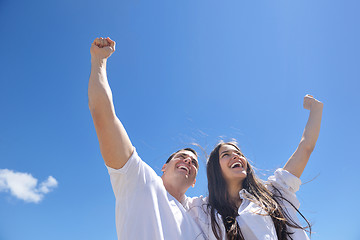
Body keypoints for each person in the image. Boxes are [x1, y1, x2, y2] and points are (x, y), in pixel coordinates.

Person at [88, 37, 205, 240]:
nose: (187, 160)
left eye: (194, 162)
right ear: (164, 167)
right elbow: (103, 115)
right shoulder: (139, 178)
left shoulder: (199, 222)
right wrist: (99, 61)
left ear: (194, 181)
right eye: (181, 156)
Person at [187, 95, 323, 240]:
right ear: (215, 169)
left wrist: (316, 108)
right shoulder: (202, 209)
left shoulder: (273, 193)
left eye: (238, 153)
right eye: (226, 154)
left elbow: (306, 147)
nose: (236, 156)